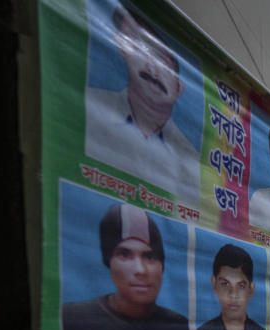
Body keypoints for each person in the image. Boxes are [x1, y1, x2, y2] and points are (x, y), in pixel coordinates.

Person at [61, 203, 190, 330]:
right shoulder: (72, 323)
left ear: (162, 266)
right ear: (109, 262)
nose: (140, 270)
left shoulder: (179, 327)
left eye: (150, 256)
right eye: (125, 254)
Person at [85, 3, 199, 201]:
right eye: (138, 49)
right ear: (124, 53)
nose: (151, 68)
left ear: (179, 87)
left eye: (161, 59)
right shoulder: (89, 107)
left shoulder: (189, 158)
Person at [196, 244, 268, 330]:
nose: (233, 294)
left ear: (251, 290)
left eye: (240, 285)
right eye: (225, 284)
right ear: (214, 284)